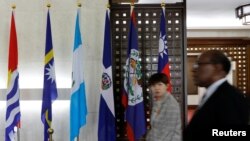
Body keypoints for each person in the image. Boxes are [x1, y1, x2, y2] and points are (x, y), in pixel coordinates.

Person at [184, 50, 249, 141]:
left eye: (199, 64)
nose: (193, 69)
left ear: (217, 68)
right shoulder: (212, 94)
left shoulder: (230, 98)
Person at [146, 73, 181, 141]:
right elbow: (154, 128)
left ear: (167, 86)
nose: (156, 88)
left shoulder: (171, 104)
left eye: (160, 84)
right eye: (153, 85)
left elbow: (166, 134)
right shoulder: (157, 101)